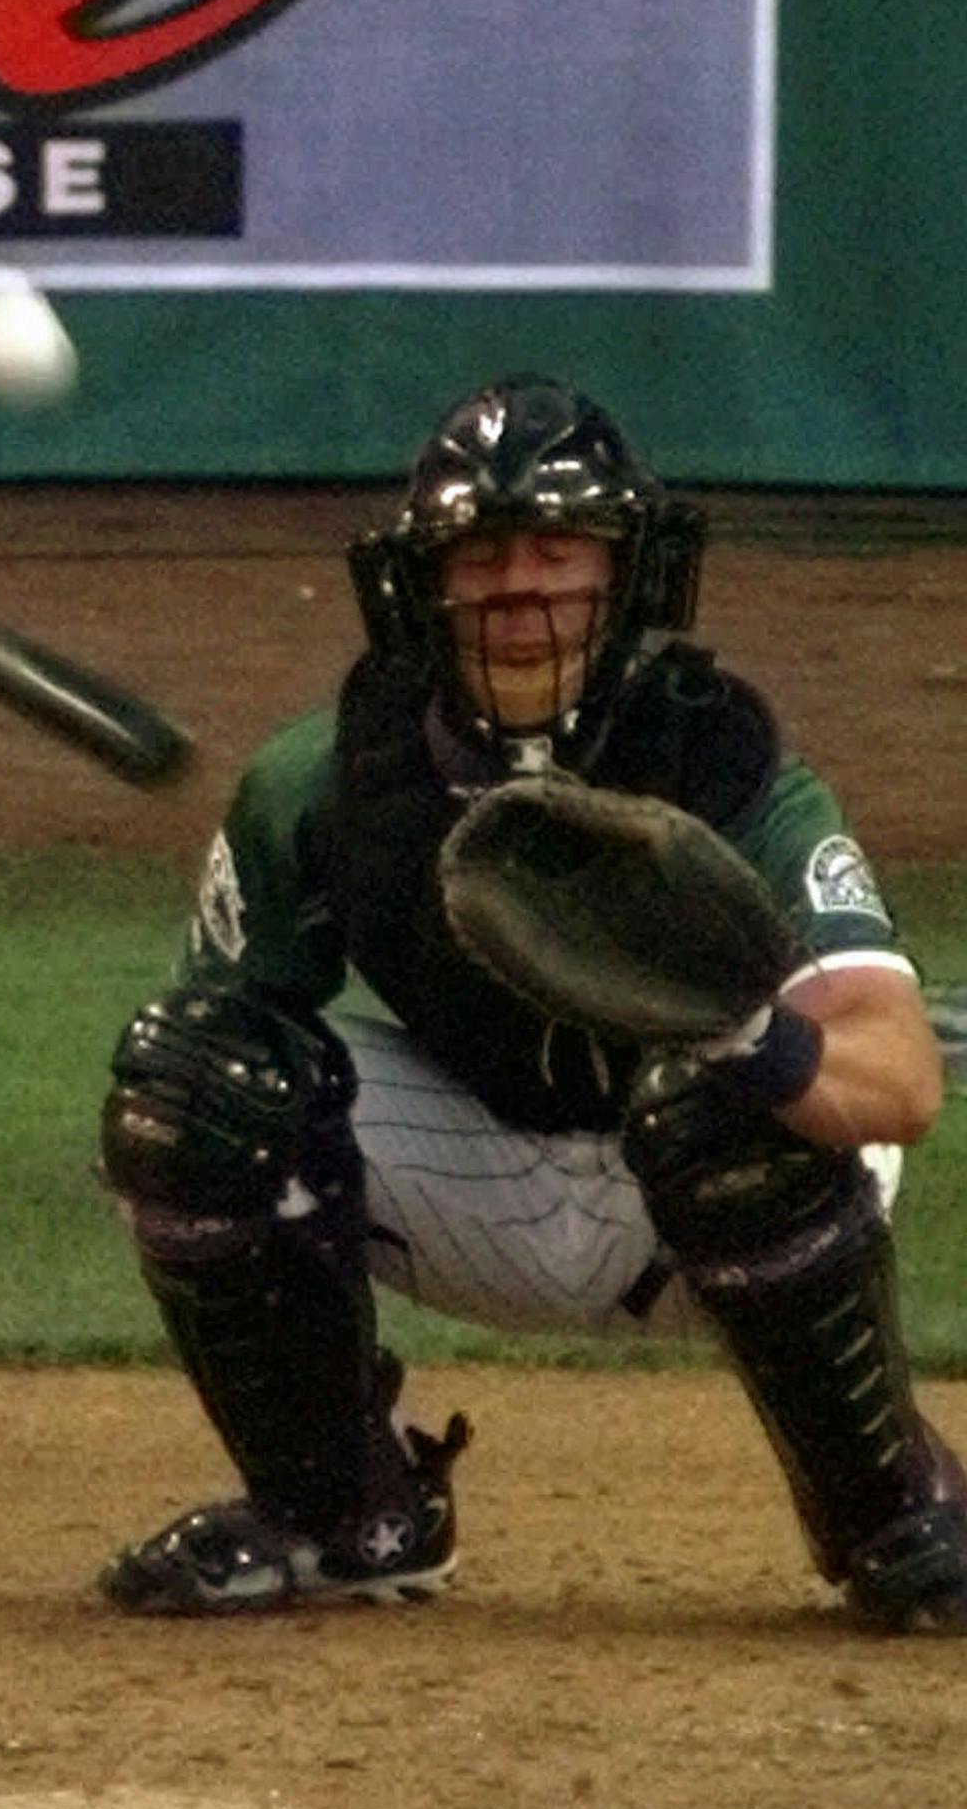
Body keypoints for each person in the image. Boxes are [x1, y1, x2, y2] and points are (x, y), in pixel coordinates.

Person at [96, 373, 967, 1633]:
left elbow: (903, 1082)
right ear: (422, 584)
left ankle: (894, 1512)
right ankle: (342, 1514)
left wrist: (742, 1036)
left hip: (707, 1202)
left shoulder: (726, 765)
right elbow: (209, 1076)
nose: (519, 588)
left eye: (559, 548)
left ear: (629, 572)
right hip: (479, 1174)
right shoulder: (324, 782)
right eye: (482, 554)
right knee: (194, 1086)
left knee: (717, 1105)